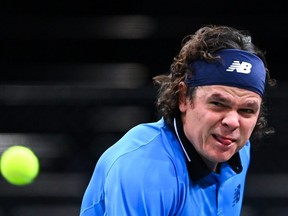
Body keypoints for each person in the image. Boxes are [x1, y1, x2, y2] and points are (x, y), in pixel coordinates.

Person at [80, 25, 276, 216]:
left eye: (247, 110)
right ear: (183, 97)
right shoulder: (142, 168)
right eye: (217, 103)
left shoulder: (239, 151)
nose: (233, 121)